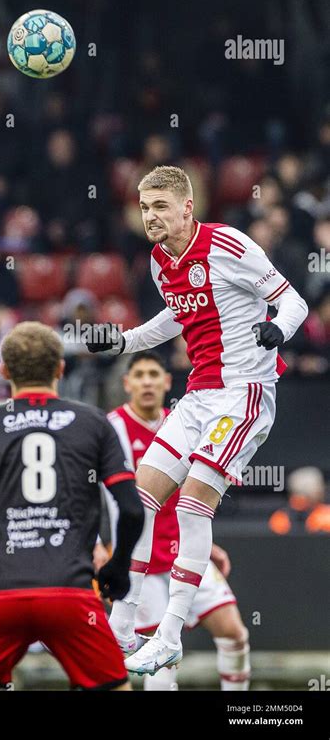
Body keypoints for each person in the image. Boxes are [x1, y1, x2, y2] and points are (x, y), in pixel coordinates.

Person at [86, 165, 308, 675]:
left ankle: (168, 635)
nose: (151, 218)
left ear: (188, 207)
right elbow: (174, 316)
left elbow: (291, 299)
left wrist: (279, 330)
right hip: (198, 395)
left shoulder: (228, 244)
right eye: (144, 209)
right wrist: (124, 341)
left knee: (191, 505)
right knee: (136, 500)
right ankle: (123, 627)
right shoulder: (160, 261)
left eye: (160, 207)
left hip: (244, 394)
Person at [0, 321, 144, 690]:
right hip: (71, 593)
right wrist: (119, 567)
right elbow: (131, 508)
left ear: (4, 370)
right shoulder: (91, 422)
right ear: (61, 368)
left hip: (0, 593)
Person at [104, 351, 250, 690]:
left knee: (234, 633)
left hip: (182, 553)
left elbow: (195, 499)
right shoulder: (111, 429)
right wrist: (98, 546)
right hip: (143, 564)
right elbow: (84, 493)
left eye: (154, 374)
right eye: (138, 375)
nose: (147, 382)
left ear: (168, 382)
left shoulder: (184, 422)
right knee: (160, 663)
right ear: (127, 384)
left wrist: (206, 546)